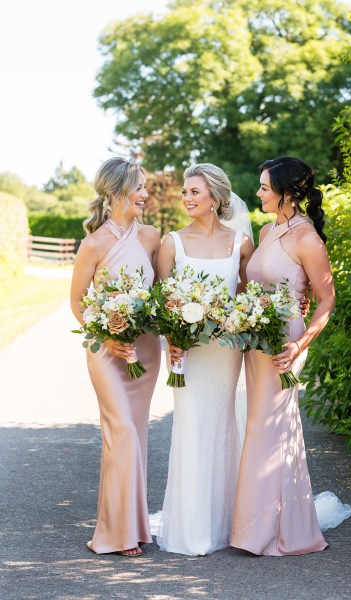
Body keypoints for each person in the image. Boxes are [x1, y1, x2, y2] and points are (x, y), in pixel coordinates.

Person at [230, 156, 351, 557]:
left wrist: (300, 345)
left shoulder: (307, 238)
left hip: (285, 344)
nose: (259, 193)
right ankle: (260, 522)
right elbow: (254, 288)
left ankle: (274, 530)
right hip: (256, 341)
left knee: (273, 428)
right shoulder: (267, 232)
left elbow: (326, 300)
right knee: (260, 427)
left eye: (265, 187)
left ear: (286, 193)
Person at [152, 163, 254, 555]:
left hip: (225, 354)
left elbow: (250, 299)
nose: (186, 198)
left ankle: (225, 522)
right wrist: (170, 340)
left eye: (194, 192)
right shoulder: (171, 242)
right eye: (185, 191)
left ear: (215, 198)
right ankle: (191, 529)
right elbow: (162, 303)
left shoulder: (240, 243)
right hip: (188, 354)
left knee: (223, 428)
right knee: (192, 428)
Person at [70, 157, 161, 557]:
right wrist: (105, 337)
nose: (145, 194)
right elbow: (76, 302)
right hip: (106, 351)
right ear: (115, 192)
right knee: (120, 431)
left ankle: (134, 526)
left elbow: (163, 294)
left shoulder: (152, 237)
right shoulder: (94, 244)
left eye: (145, 187)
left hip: (145, 350)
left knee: (135, 436)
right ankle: (113, 532)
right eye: (139, 187)